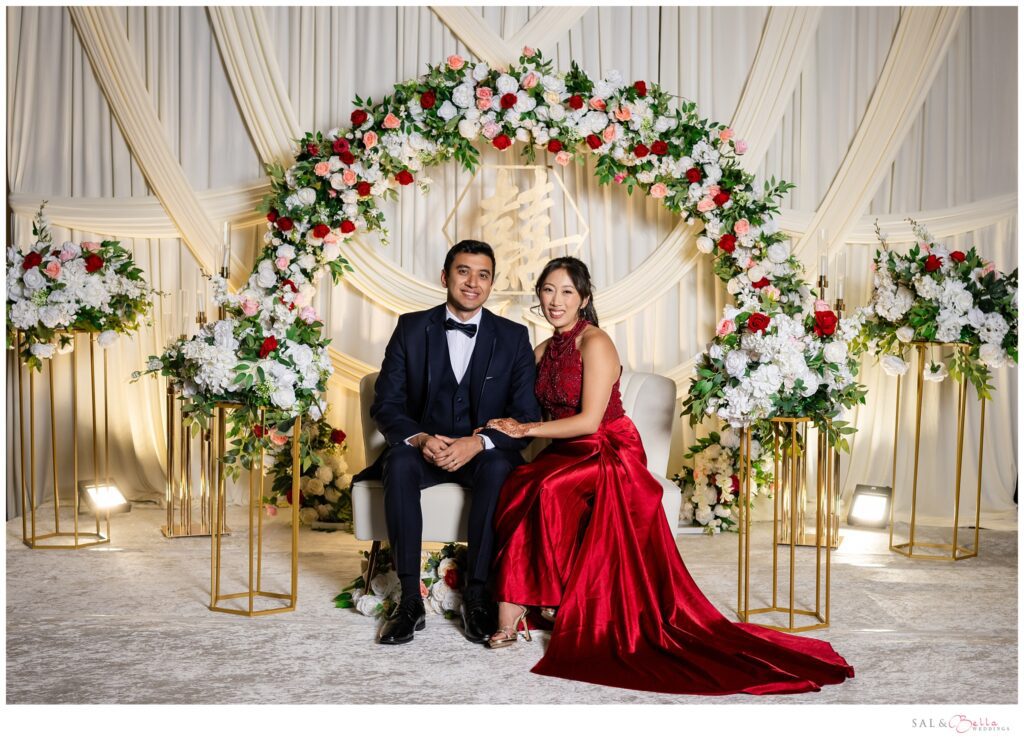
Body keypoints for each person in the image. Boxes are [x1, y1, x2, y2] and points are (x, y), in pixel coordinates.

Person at [481, 256, 855, 695]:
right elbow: (519, 404)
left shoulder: (595, 343)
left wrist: (525, 429)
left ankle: (531, 606)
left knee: (546, 487)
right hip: (563, 449)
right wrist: (492, 427)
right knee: (518, 482)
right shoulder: (542, 349)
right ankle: (530, 601)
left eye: (566, 292)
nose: (555, 300)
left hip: (606, 447)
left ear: (584, 299)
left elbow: (588, 421)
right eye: (547, 290)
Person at [355, 239, 542, 646]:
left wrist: (479, 443)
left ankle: (476, 596)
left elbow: (526, 414)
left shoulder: (513, 337)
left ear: (492, 283)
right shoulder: (410, 327)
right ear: (445, 276)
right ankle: (409, 600)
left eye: (483, 275)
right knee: (399, 463)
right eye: (463, 271)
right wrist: (420, 438)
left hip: (481, 453)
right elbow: (386, 402)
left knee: (497, 468)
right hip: (424, 448)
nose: (472, 282)